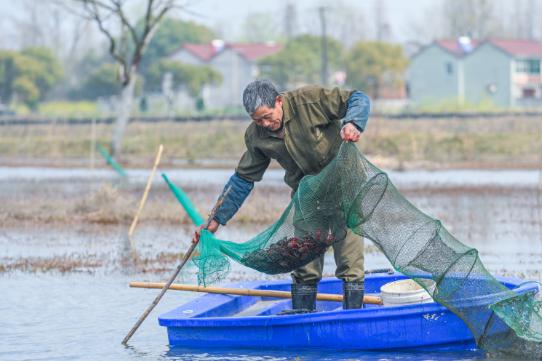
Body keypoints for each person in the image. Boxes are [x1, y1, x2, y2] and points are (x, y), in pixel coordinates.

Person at [192, 79, 371, 312]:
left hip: (344, 186)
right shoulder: (256, 136)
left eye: (268, 116)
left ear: (278, 101)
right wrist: (215, 220)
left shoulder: (309, 101)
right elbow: (243, 179)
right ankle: (302, 315)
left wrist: (353, 123)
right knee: (303, 263)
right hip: (307, 198)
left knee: (349, 261)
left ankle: (352, 317)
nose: (265, 124)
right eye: (258, 120)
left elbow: (358, 98)